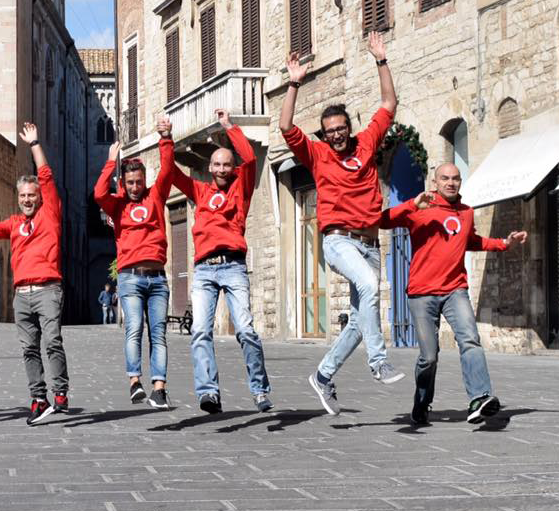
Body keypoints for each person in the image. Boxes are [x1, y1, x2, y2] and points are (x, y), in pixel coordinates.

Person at [282, 33, 405, 414]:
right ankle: (378, 362)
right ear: (324, 134)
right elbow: (286, 127)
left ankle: (322, 375)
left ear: (348, 128)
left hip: (370, 244)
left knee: (357, 321)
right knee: (369, 286)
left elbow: (389, 103)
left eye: (340, 128)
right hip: (338, 241)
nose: (335, 134)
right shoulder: (317, 154)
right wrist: (293, 84)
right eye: (329, 130)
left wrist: (381, 60)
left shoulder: (366, 143)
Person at [380, 164, 525, 425]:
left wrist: (504, 243)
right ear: (434, 182)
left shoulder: (466, 212)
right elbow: (382, 220)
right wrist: (411, 204)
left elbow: (471, 241)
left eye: (455, 178)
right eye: (445, 178)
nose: (451, 183)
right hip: (421, 293)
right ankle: (422, 401)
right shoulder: (420, 208)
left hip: (455, 289)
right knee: (429, 357)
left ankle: (479, 398)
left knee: (470, 340)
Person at [169, 109, 271, 415]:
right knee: (200, 331)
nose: (222, 168)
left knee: (246, 331)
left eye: (227, 164)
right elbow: (171, 173)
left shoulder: (241, 188)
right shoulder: (200, 191)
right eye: (217, 164)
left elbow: (249, 159)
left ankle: (260, 390)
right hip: (204, 269)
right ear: (210, 167)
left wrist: (229, 127)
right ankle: (208, 392)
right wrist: (165, 140)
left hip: (234, 266)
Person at [0, 123, 71, 425]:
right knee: (29, 348)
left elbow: (46, 175)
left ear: (40, 197)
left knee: (52, 340)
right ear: (17, 197)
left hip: (48, 289)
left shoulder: (50, 213)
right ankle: (38, 398)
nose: (28, 199)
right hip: (22, 295)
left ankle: (60, 391)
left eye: (32, 195)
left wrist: (34, 144)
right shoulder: (14, 223)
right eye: (23, 195)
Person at [94, 115, 178, 410]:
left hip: (157, 278)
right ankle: (134, 382)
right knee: (134, 329)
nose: (134, 187)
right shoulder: (117, 205)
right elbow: (98, 193)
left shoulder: (155, 196)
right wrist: (110, 162)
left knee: (159, 333)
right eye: (129, 182)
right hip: (130, 277)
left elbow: (168, 170)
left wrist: (166, 138)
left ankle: (159, 389)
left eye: (138, 182)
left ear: (145, 181)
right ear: (123, 183)